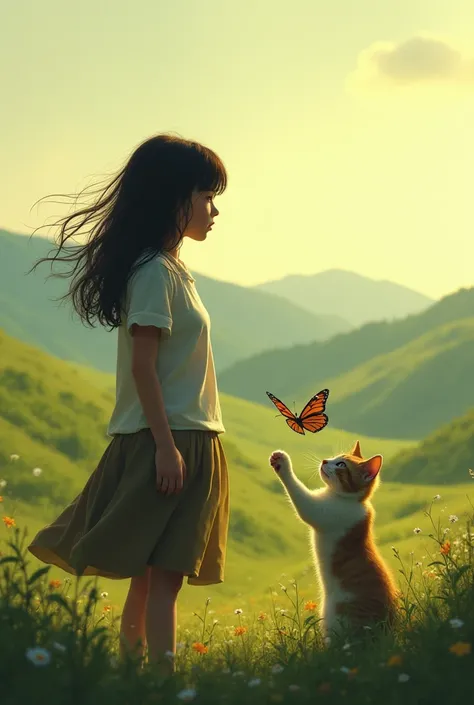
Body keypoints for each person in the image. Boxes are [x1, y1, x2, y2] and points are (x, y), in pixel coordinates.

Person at [27, 133, 230, 670]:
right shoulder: (154, 273)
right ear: (173, 198)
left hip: (184, 435)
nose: (214, 211)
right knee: (163, 578)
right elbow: (143, 367)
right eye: (206, 196)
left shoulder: (169, 269)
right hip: (172, 436)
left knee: (151, 575)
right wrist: (166, 448)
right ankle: (161, 683)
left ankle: (131, 675)